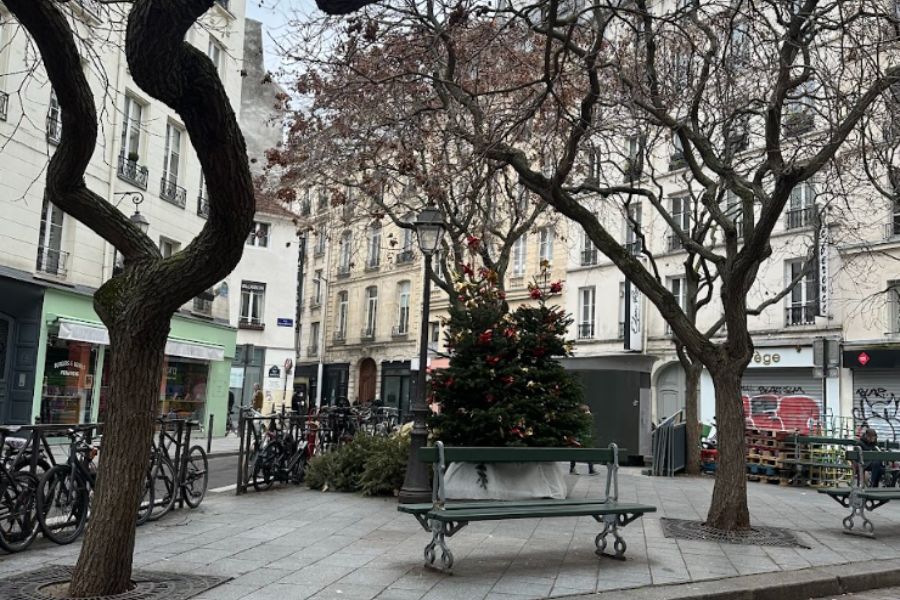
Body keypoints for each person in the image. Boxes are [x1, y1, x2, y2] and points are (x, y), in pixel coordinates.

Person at [569, 404, 596, 475]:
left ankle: (573, 469)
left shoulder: (584, 418)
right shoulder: (585, 418)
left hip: (580, 438)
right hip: (582, 438)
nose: (589, 413)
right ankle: (591, 469)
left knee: (575, 454)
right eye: (587, 411)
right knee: (588, 453)